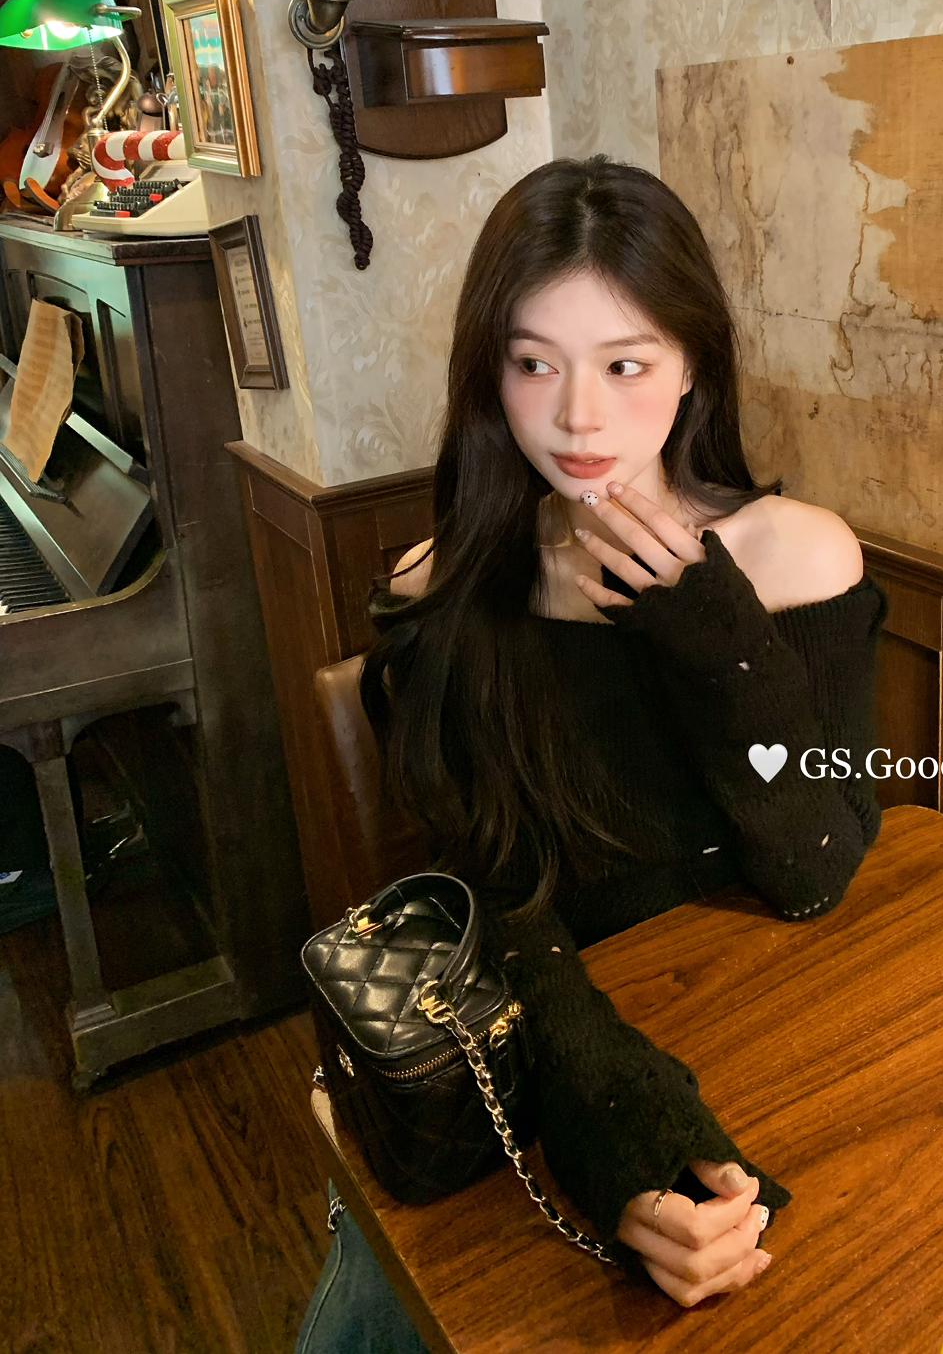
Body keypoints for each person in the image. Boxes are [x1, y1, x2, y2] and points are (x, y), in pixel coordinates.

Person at [295, 153, 889, 1352]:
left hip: (787, 1015)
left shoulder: (797, 555)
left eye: (625, 364)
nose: (578, 417)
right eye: (534, 363)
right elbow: (495, 899)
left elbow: (814, 867)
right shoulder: (441, 590)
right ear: (490, 373)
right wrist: (618, 1128)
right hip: (549, 1041)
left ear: (692, 366)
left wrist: (706, 619)